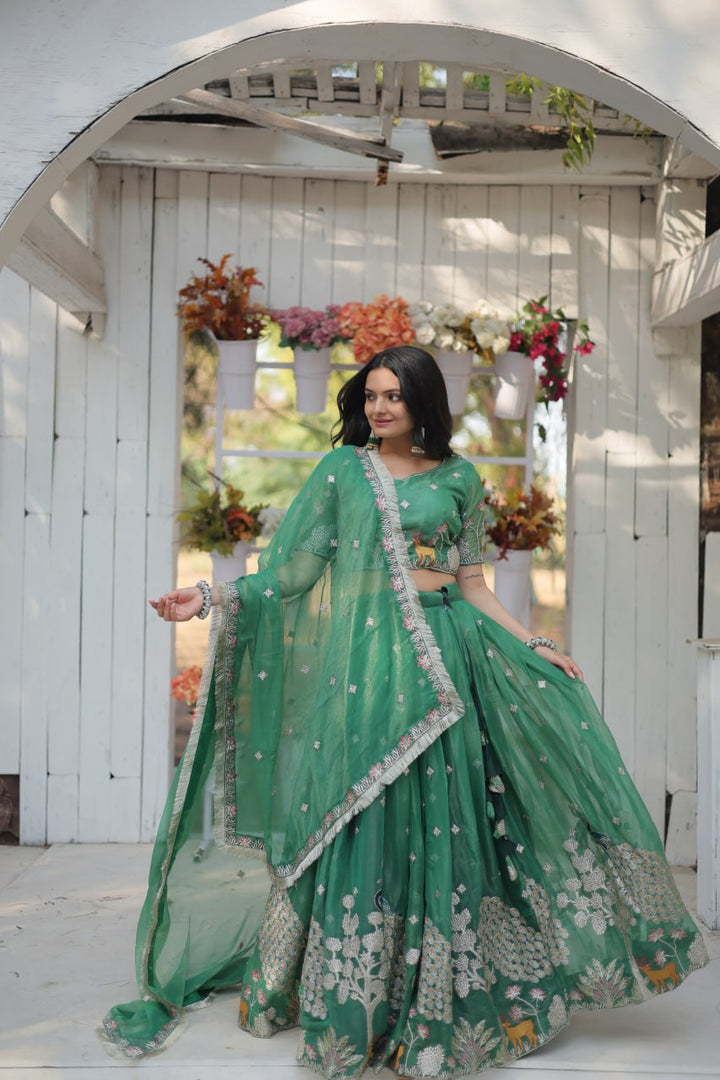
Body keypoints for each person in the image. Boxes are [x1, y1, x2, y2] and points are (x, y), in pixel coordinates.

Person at [102, 346, 708, 1076]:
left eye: (394, 396)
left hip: (451, 659)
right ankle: (358, 997)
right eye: (372, 396)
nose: (380, 408)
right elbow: (296, 570)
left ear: (423, 403)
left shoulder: (460, 478)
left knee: (449, 820)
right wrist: (212, 596)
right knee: (366, 817)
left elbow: (475, 583)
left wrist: (537, 642)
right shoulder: (342, 472)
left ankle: (441, 991)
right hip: (369, 670)